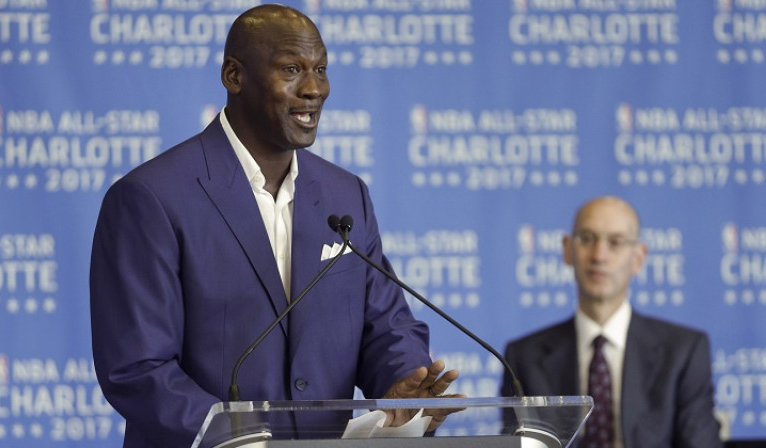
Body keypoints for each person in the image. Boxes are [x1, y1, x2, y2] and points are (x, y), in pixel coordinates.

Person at [90, 5, 459, 447]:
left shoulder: (345, 195)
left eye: (320, 69)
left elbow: (384, 323)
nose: (314, 89)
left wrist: (402, 380)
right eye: (291, 69)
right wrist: (238, 437)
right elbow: (138, 368)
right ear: (234, 76)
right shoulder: (151, 198)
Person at [500, 196, 722, 448]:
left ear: (638, 257)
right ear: (567, 249)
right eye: (587, 238)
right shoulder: (524, 356)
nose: (599, 255)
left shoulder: (684, 351)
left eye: (615, 242)